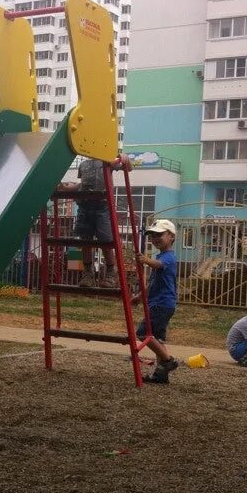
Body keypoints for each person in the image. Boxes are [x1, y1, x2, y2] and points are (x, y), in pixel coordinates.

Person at [61, 154, 129, 288]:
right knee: (86, 241)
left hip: (102, 206)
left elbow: (128, 168)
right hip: (85, 206)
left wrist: (125, 158)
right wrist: (65, 188)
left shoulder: (108, 160)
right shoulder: (83, 165)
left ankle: (110, 272)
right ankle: (88, 273)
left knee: (106, 241)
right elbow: (83, 185)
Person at [132, 219, 180, 384]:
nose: (155, 238)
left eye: (160, 234)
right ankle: (161, 374)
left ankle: (168, 361)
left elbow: (157, 265)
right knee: (157, 339)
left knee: (143, 333)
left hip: (162, 303)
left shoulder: (168, 257)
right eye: (152, 236)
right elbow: (152, 283)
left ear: (171, 236)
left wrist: (145, 260)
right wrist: (140, 296)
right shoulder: (161, 256)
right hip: (161, 303)